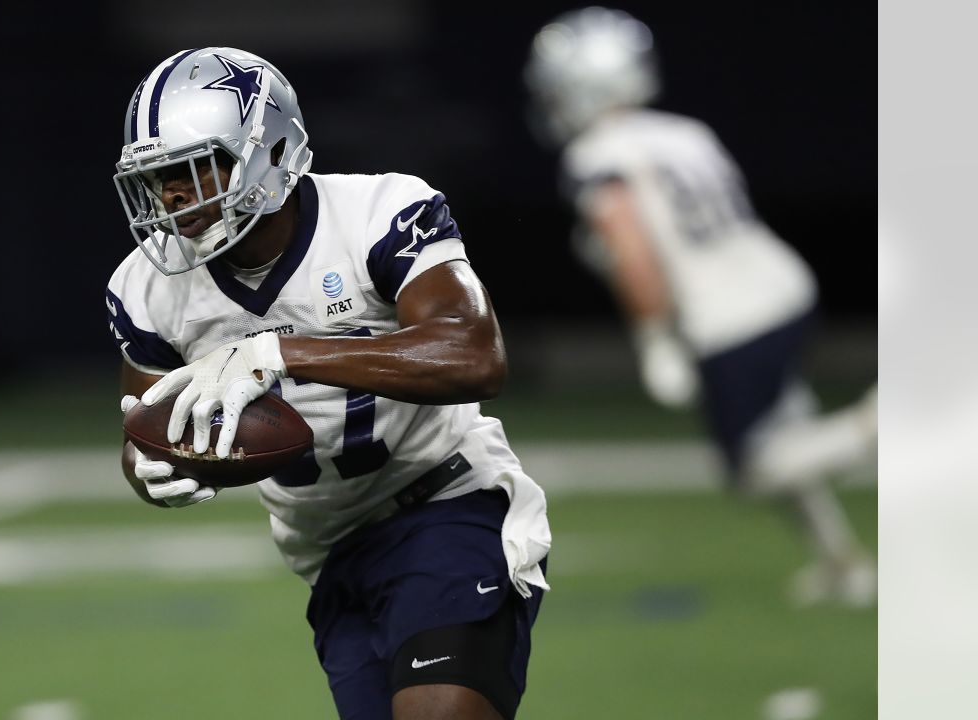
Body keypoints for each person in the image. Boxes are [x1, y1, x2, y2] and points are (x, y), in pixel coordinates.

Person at [105, 47, 552, 720]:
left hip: (447, 502)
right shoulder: (144, 288)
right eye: (160, 179)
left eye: (194, 171)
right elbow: (147, 431)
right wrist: (154, 471)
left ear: (266, 150)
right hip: (329, 551)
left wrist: (282, 353)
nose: (173, 198)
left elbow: (475, 354)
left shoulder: (379, 212)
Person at [524, 8, 877, 607]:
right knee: (786, 431)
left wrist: (655, 338)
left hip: (731, 318)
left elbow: (634, 250)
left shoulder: (596, 157)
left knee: (756, 467)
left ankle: (888, 424)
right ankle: (842, 563)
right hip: (782, 286)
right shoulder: (685, 132)